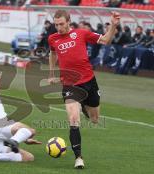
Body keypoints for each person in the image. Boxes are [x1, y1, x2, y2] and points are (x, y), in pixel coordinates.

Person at [48, 10, 120, 169]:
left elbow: (106, 40)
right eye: (56, 24)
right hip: (70, 85)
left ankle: (87, 110)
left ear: (68, 21)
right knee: (73, 119)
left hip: (89, 82)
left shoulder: (81, 33)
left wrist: (113, 26)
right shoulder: (53, 39)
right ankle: (78, 158)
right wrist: (52, 73)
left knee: (94, 119)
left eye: (61, 24)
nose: (58, 28)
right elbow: (52, 54)